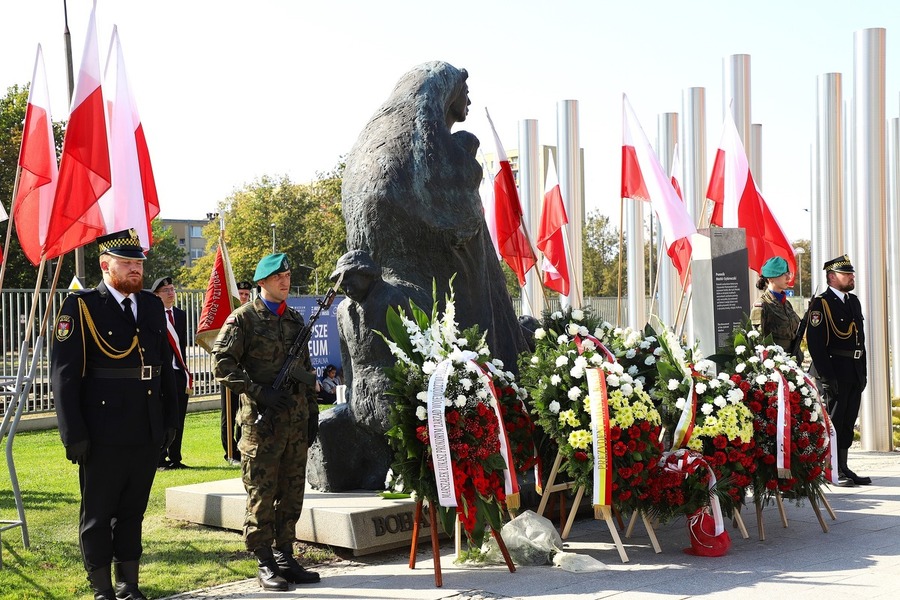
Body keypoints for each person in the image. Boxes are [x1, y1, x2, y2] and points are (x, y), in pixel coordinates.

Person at [51, 228, 177, 600]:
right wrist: (73, 433)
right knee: (98, 514)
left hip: (147, 426)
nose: (136, 269)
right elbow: (64, 375)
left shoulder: (152, 306)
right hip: (101, 431)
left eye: (139, 263)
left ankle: (129, 584)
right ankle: (102, 588)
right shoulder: (82, 306)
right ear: (106, 265)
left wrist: (170, 421)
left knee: (133, 511)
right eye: (128, 263)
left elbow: (163, 366)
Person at [213, 253, 321, 591]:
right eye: (277, 277)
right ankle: (264, 560)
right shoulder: (243, 319)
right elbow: (221, 363)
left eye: (287, 275)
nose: (285, 282)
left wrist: (313, 412)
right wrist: (257, 391)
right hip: (262, 425)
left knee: (291, 492)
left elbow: (306, 371)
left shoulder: (294, 320)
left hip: (295, 423)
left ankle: (286, 555)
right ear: (262, 282)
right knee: (262, 492)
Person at [806, 254, 870, 486]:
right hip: (833, 371)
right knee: (834, 421)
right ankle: (830, 469)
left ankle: (843, 466)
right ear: (832, 277)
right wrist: (826, 376)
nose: (852, 277)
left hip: (853, 370)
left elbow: (859, 340)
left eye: (851, 273)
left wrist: (862, 372)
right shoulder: (820, 304)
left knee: (848, 420)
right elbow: (816, 344)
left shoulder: (853, 301)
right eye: (847, 274)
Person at [153, 276, 193, 470]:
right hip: (161, 375)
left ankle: (175, 457)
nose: (170, 293)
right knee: (163, 416)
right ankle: (160, 458)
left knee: (179, 416)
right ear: (156, 295)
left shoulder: (180, 314)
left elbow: (182, 346)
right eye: (166, 290)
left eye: (172, 289)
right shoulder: (152, 315)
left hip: (178, 373)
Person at [221, 281, 254, 465]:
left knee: (245, 411)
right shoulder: (228, 317)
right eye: (240, 294)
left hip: (245, 371)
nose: (243, 297)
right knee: (229, 412)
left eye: (246, 295)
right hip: (229, 371)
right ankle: (230, 453)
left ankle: (242, 447)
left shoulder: (250, 316)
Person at [750, 256, 802, 360]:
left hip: (792, 360)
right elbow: (757, 341)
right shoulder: (762, 305)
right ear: (770, 278)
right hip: (774, 362)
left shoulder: (787, 304)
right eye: (784, 274)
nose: (788, 278)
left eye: (789, 274)